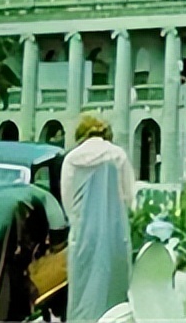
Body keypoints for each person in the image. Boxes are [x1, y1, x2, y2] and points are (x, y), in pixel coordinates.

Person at [61, 113, 136, 322]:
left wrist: (78, 221)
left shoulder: (72, 159)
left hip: (83, 235)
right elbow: (130, 197)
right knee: (114, 289)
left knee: (82, 290)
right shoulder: (118, 155)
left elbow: (67, 199)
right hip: (115, 233)